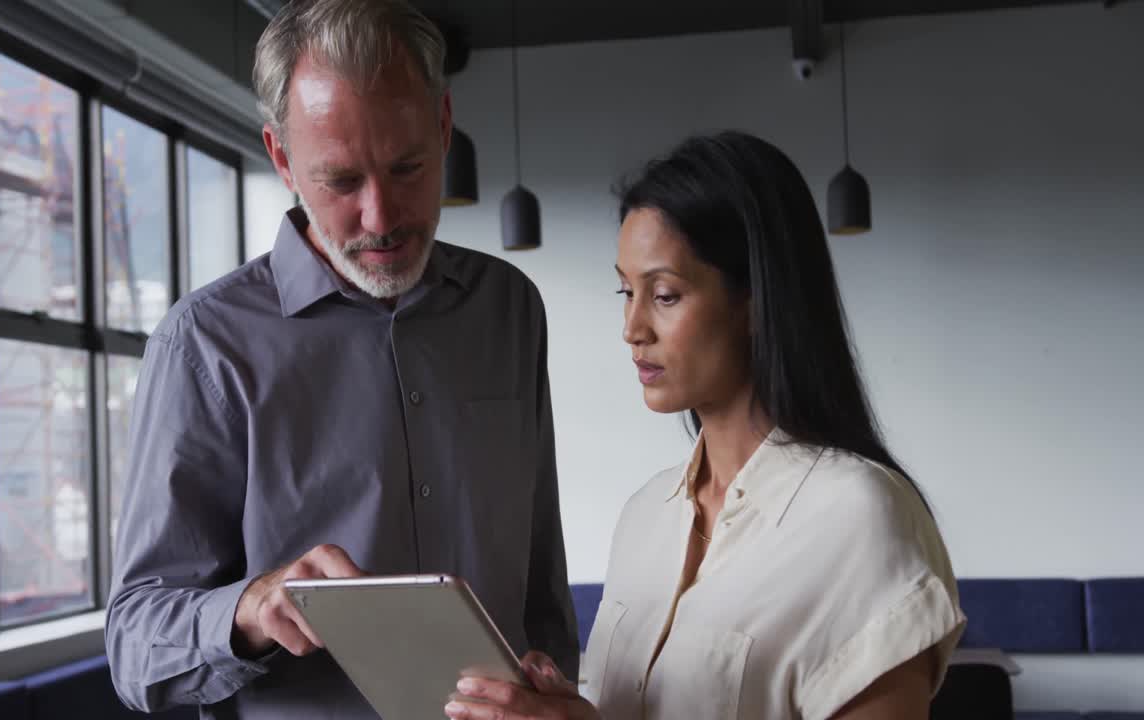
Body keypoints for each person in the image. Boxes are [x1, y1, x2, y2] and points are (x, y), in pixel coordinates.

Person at [104, 1, 578, 717]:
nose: (381, 217)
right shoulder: (204, 344)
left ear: (444, 125)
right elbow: (135, 647)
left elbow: (541, 588)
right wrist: (250, 609)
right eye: (342, 181)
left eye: (407, 167)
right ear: (282, 159)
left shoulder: (509, 308)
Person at [446, 131, 966, 720]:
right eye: (626, 291)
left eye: (665, 295)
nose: (632, 328)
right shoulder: (645, 516)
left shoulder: (860, 516)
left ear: (756, 302)